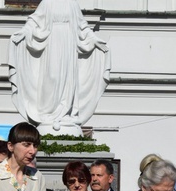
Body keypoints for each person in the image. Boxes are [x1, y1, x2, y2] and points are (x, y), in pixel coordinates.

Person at [8, 0, 110, 136]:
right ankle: (48, 114)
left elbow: (83, 26)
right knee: (52, 77)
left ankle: (65, 115)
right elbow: (34, 21)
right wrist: (24, 32)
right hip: (52, 44)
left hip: (69, 44)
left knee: (68, 80)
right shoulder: (47, 3)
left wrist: (95, 39)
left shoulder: (72, 4)